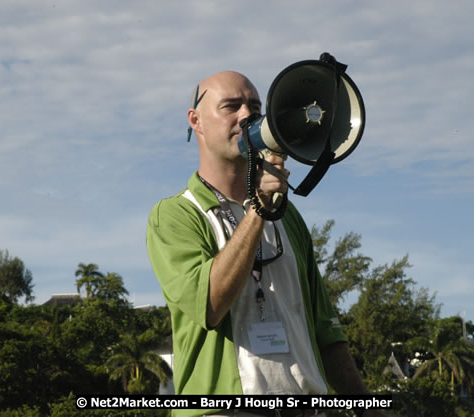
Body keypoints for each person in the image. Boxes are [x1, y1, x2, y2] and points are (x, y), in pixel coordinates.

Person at [146, 71, 385, 417]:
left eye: (254, 107)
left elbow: (325, 331)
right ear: (195, 121)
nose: (246, 115)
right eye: (231, 106)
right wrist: (258, 209)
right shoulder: (176, 215)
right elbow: (210, 304)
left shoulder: (288, 218)